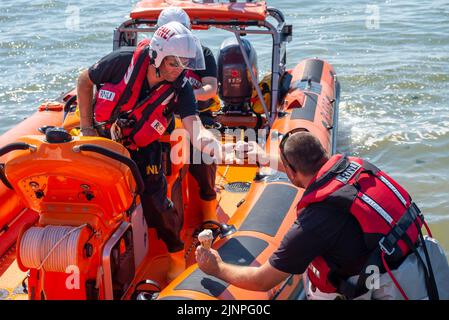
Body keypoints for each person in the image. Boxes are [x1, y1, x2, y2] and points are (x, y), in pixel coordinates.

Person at [196, 130, 449, 300]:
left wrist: (217, 267)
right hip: (426, 264)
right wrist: (264, 158)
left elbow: (263, 280)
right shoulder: (357, 167)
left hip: (391, 288)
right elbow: (307, 168)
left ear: (292, 173)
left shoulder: (315, 221)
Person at [77, 21, 230, 280]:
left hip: (143, 145)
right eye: (174, 63)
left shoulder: (181, 88)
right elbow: (85, 79)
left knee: (158, 203)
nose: (179, 70)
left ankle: (174, 255)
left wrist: (209, 142)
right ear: (157, 55)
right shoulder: (122, 61)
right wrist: (86, 127)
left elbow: (194, 127)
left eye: (184, 64)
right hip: (105, 137)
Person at [157, 7, 220, 223]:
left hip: (197, 116)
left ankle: (209, 214)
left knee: (203, 157)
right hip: (161, 117)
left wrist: (186, 96)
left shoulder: (204, 53)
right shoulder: (154, 57)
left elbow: (211, 88)